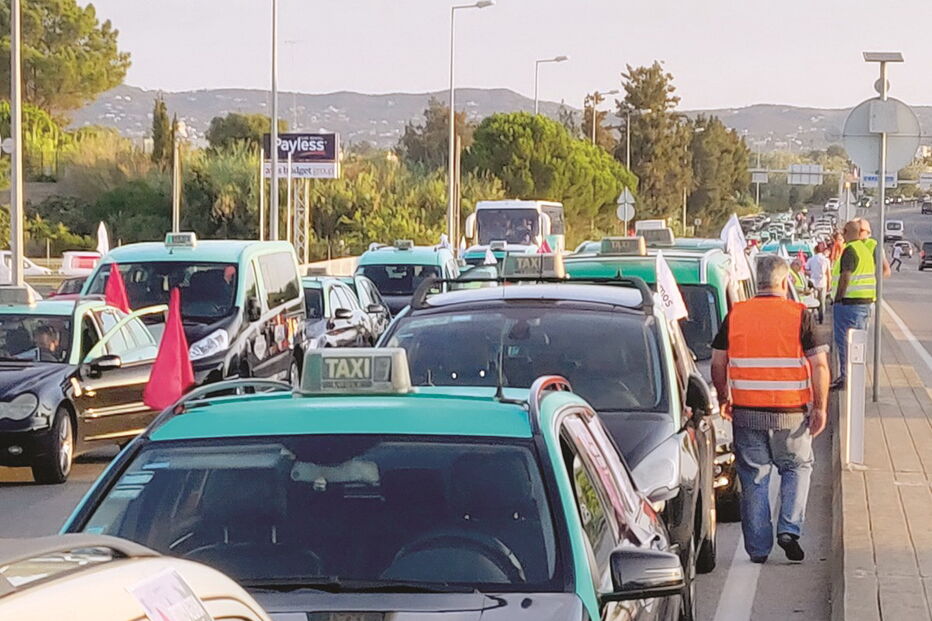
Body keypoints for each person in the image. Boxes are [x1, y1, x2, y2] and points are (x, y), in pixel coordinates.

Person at [710, 255, 829, 564]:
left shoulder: (736, 314)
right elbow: (819, 366)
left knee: (754, 478)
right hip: (791, 413)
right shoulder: (800, 314)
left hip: (747, 412)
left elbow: (718, 362)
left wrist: (724, 397)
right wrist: (820, 407)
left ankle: (759, 549)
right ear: (784, 281)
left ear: (758, 282)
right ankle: (789, 529)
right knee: (797, 467)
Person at [830, 219, 890, 390]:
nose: (842, 234)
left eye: (845, 231)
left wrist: (838, 298)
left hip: (849, 303)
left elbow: (845, 276)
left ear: (851, 233)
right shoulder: (865, 250)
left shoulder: (850, 250)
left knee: (845, 342)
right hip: (864, 302)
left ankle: (847, 378)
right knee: (858, 343)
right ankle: (855, 377)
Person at [806, 242, 831, 324]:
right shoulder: (826, 260)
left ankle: (814, 317)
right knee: (822, 302)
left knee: (814, 302)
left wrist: (811, 273)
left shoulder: (811, 260)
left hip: (813, 283)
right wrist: (829, 285)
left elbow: (806, 270)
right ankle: (821, 318)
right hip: (823, 282)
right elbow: (828, 274)